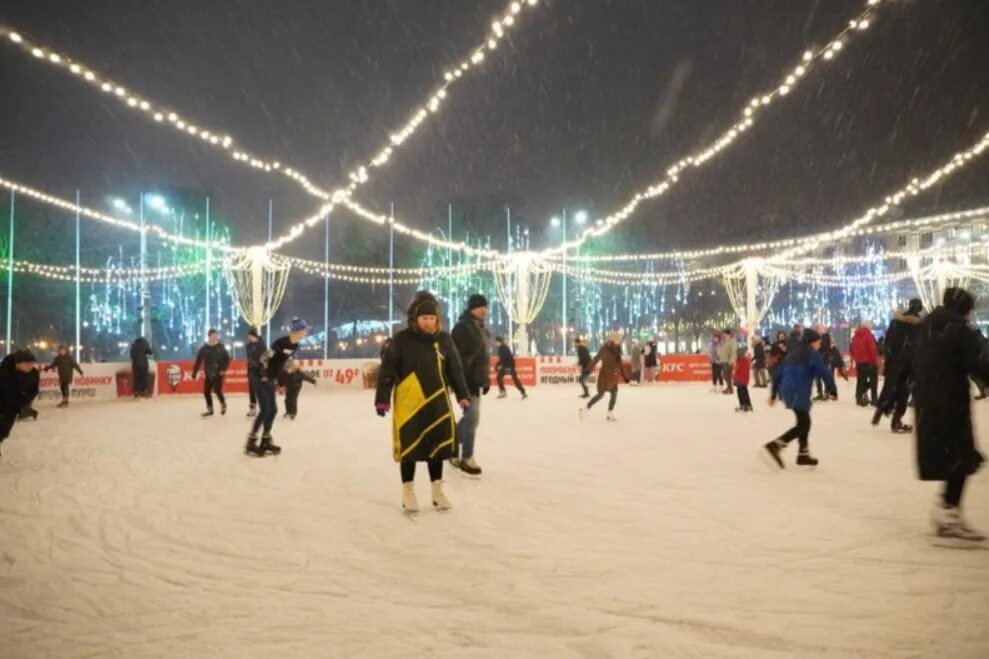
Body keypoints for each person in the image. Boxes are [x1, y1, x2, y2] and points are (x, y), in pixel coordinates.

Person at [375, 292, 470, 513]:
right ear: (415, 319)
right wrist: (382, 399)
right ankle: (408, 492)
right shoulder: (401, 340)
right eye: (424, 318)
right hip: (410, 403)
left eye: (432, 318)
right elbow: (387, 371)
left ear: (437, 319)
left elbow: (455, 369)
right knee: (410, 447)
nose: (428, 322)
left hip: (437, 400)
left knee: (436, 446)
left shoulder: (444, 340)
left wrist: (462, 395)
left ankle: (437, 492)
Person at [912, 287, 987, 544]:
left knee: (955, 457)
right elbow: (978, 363)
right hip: (950, 402)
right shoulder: (958, 330)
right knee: (962, 456)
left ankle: (946, 509)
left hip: (928, 402)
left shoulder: (928, 327)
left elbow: (908, 361)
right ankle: (948, 513)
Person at [763, 328, 837, 470]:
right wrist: (832, 390)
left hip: (789, 390)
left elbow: (778, 373)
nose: (819, 345)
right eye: (818, 342)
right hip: (798, 390)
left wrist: (773, 394)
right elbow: (824, 372)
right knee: (803, 424)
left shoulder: (793, 353)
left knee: (804, 421)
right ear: (812, 342)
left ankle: (803, 454)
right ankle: (776, 446)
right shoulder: (812, 354)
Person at [245, 318, 309, 457]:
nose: (306, 333)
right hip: (260, 377)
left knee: (273, 410)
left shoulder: (294, 346)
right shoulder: (281, 343)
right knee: (265, 410)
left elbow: (280, 364)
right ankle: (250, 443)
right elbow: (264, 358)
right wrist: (264, 374)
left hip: (269, 378)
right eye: (304, 330)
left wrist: (278, 381)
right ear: (297, 331)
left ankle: (265, 440)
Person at [451, 293, 491, 477]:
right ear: (471, 309)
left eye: (485, 306)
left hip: (475, 380)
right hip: (466, 381)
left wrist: (485, 379)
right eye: (479, 306)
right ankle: (466, 457)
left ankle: (450, 443)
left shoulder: (482, 329)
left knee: (471, 418)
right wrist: (464, 382)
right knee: (473, 418)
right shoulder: (462, 328)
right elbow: (458, 359)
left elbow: (483, 359)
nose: (483, 310)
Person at [873, 299, 924, 433]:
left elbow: (888, 342)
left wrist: (890, 357)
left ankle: (881, 408)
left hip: (894, 362)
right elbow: (921, 347)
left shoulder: (895, 322)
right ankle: (896, 420)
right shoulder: (919, 325)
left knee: (890, 386)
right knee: (904, 391)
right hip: (909, 364)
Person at [0, 350, 40, 458]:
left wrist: (24, 401)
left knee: (4, 430)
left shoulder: (34, 374)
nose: (30, 367)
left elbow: (33, 391)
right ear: (18, 363)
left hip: (14, 406)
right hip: (2, 403)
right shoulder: (4, 371)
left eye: (32, 364)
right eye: (27, 364)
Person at [579, 332, 626, 422]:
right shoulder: (604, 349)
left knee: (614, 394)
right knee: (600, 395)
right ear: (613, 340)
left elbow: (619, 362)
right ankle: (585, 409)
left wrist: (623, 373)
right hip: (604, 376)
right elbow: (596, 359)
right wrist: (588, 371)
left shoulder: (618, 350)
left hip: (613, 376)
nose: (619, 342)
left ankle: (610, 414)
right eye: (618, 340)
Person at [192, 329, 231, 417]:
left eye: (216, 336)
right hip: (209, 373)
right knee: (206, 392)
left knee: (217, 391)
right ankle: (210, 409)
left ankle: (223, 403)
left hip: (218, 373)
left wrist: (224, 369)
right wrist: (194, 372)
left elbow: (227, 359)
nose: (215, 337)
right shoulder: (204, 349)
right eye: (213, 336)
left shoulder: (221, 347)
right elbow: (198, 361)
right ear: (209, 336)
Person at [850, 321, 879, 406]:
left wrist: (856, 358)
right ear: (869, 327)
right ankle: (874, 399)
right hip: (869, 362)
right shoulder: (868, 335)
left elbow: (851, 349)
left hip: (859, 363)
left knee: (860, 380)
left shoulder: (855, 337)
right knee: (873, 380)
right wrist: (874, 361)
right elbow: (872, 350)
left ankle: (858, 398)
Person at [245, 328, 266, 417]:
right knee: (252, 390)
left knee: (261, 390)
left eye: (251, 336)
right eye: (249, 336)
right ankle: (252, 408)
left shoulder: (262, 345)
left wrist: (264, 372)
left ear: (255, 336)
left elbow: (265, 358)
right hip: (251, 370)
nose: (249, 338)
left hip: (260, 370)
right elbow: (248, 358)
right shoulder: (248, 346)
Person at [768, 330, 788, 400]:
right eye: (780, 336)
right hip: (777, 363)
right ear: (778, 337)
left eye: (783, 336)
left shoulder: (787, 344)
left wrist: (783, 349)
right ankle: (780, 394)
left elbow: (789, 352)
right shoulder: (775, 344)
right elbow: (772, 353)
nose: (781, 337)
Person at [717, 329, 737, 395]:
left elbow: (734, 351)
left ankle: (730, 388)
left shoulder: (732, 341)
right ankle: (729, 388)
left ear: (729, 334)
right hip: (724, 360)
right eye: (723, 334)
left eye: (724, 334)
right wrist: (719, 350)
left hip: (728, 361)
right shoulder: (725, 342)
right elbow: (722, 352)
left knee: (726, 375)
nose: (723, 336)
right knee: (726, 375)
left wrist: (732, 360)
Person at [734, 347, 753, 412]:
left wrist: (744, 381)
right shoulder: (738, 360)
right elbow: (737, 370)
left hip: (742, 380)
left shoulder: (744, 361)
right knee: (740, 393)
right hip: (739, 380)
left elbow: (745, 372)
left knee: (743, 393)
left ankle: (746, 405)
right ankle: (743, 404)